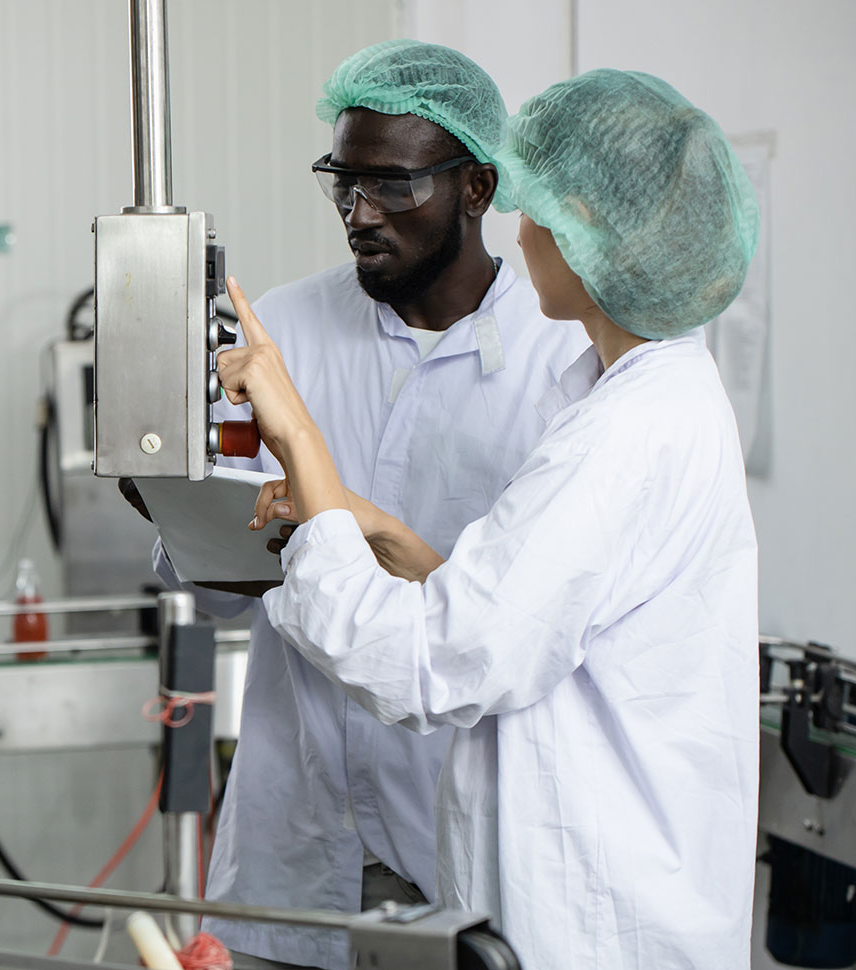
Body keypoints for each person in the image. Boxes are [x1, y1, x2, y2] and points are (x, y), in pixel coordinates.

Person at [215, 68, 762, 969]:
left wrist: (299, 437)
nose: (522, 229)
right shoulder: (645, 402)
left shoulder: (625, 439)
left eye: (539, 209)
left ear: (591, 233)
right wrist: (372, 527)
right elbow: (520, 616)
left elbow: (434, 663)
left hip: (591, 920)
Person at [124, 41, 587, 970]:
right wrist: (186, 507)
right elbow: (216, 596)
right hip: (293, 844)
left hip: (463, 844)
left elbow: (521, 629)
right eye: (343, 184)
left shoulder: (562, 364)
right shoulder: (282, 332)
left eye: (394, 187)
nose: (360, 214)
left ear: (477, 189)